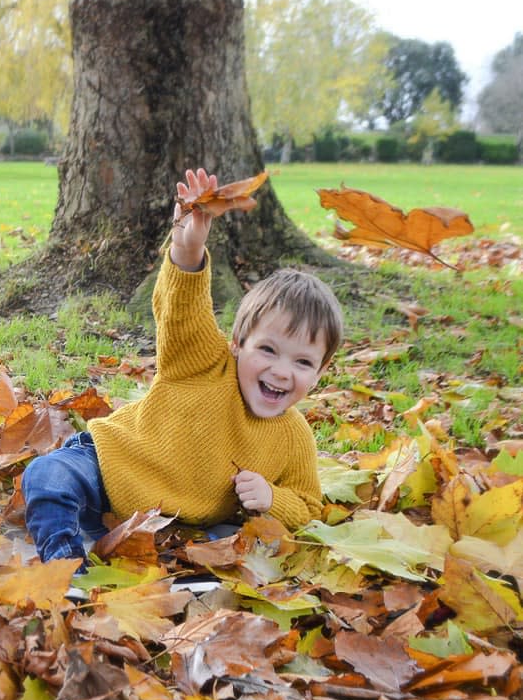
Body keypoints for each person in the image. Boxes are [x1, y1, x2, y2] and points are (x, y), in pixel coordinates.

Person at [22, 168, 344, 569]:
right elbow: (182, 311)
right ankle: (66, 569)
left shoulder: (293, 436)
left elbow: (309, 505)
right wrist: (188, 250)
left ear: (320, 371)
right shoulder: (203, 361)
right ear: (238, 345)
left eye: (302, 362)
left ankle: (107, 545)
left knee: (213, 546)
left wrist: (272, 498)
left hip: (164, 522)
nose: (281, 371)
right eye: (268, 350)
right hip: (106, 468)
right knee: (47, 477)